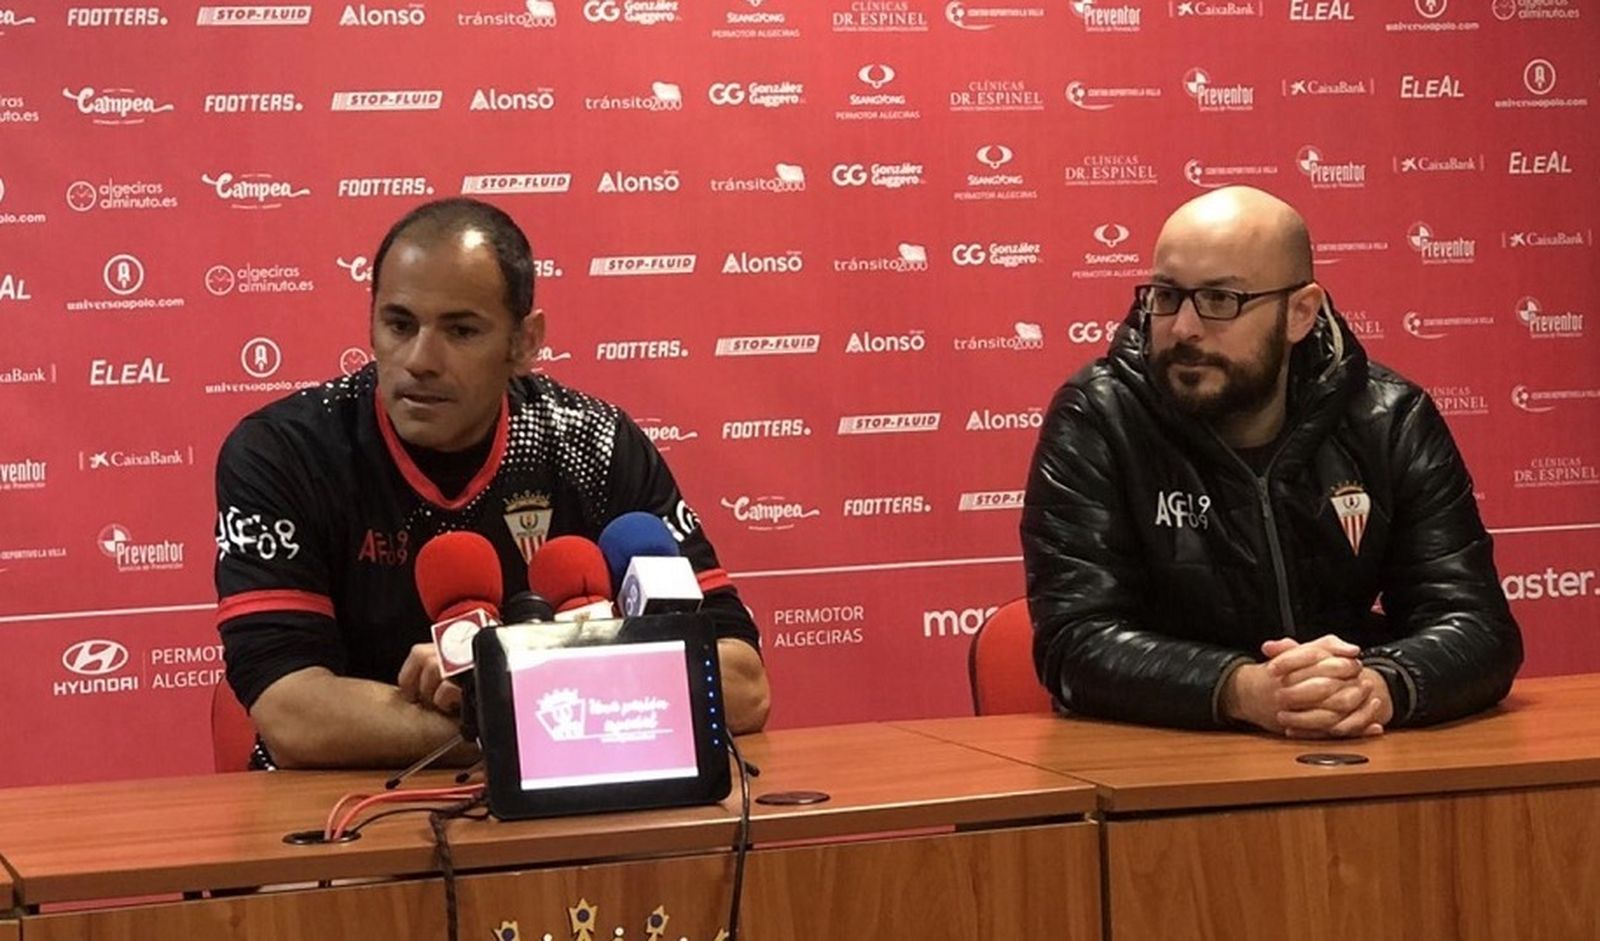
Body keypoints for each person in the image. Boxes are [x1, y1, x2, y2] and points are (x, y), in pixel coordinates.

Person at [214, 198, 770, 769]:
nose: (420, 359)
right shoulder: (287, 452)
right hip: (347, 820)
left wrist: (502, 683)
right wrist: (538, 711)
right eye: (399, 324)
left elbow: (741, 682)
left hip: (568, 814)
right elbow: (291, 712)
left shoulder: (595, 445)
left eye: (461, 330)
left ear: (525, 343)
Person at [1021, 186, 1522, 737]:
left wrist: (1377, 689)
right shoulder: (1100, 417)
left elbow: (1476, 625)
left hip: (1355, 751)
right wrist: (1243, 689)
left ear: (1300, 312)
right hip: (1164, 760)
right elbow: (1075, 641)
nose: (1184, 327)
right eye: (1165, 296)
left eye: (1220, 300)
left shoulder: (1388, 418)